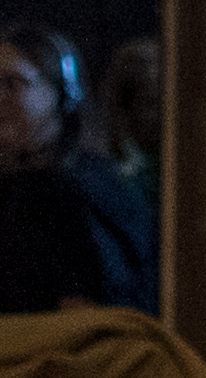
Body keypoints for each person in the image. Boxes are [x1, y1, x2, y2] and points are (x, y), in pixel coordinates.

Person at [0, 22, 156, 315]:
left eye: (12, 83)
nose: (1, 96)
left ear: (62, 92)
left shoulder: (89, 188)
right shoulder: (15, 186)